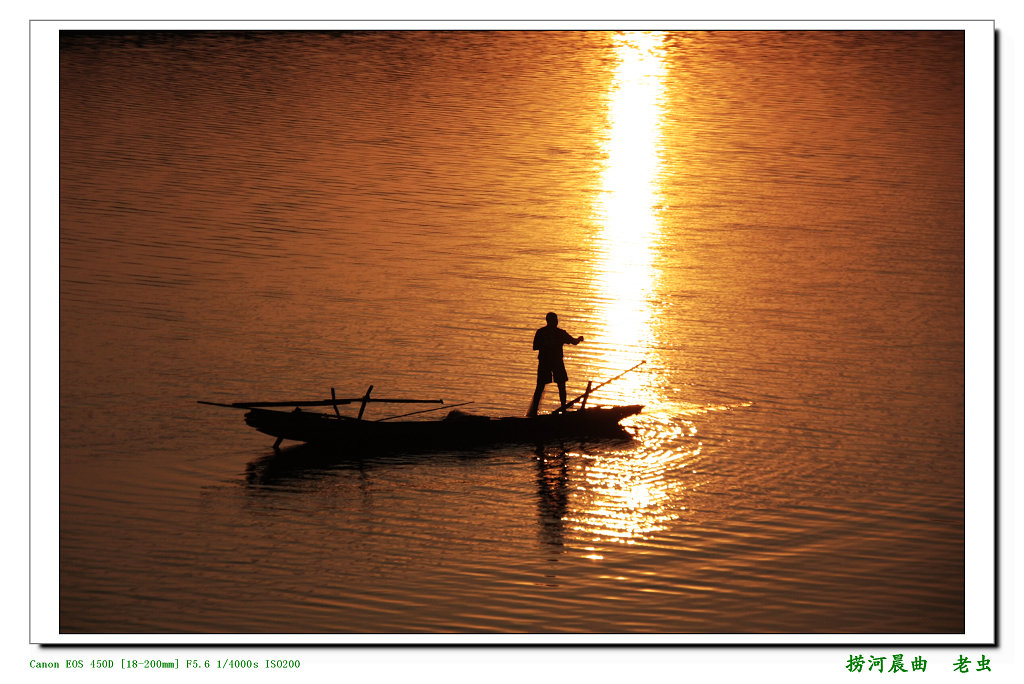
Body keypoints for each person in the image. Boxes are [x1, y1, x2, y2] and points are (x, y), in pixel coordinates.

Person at [527, 312, 584, 417]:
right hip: (549, 362)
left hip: (552, 361)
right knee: (544, 385)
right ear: (551, 321)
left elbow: (574, 341)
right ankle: (535, 412)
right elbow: (535, 346)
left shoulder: (551, 332)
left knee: (558, 384)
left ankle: (562, 408)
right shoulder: (550, 333)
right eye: (555, 320)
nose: (556, 322)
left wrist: (579, 339)